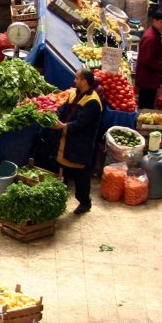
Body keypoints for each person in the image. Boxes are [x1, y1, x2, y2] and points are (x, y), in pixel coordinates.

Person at [53, 68, 104, 214]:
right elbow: (63, 108)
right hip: (67, 140)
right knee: (62, 170)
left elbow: (82, 123)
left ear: (84, 81)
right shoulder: (74, 93)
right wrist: (54, 115)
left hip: (80, 143)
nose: (74, 80)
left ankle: (85, 202)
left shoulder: (93, 101)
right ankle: (59, 199)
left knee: (80, 174)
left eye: (76, 78)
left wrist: (63, 126)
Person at [138, 11, 162, 109]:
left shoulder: (158, 33)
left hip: (152, 77)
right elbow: (147, 60)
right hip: (147, 78)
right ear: (154, 21)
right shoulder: (150, 38)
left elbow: (156, 52)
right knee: (146, 104)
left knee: (149, 102)